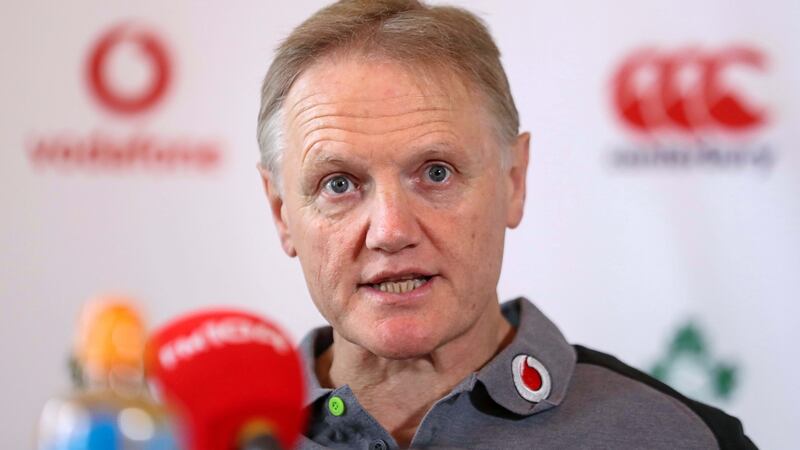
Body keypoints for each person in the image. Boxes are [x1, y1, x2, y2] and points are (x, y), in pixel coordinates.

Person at [255, 1, 755, 448]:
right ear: (281, 212)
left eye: (436, 173)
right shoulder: (199, 436)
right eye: (339, 184)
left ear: (514, 181)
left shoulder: (682, 436)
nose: (390, 231)